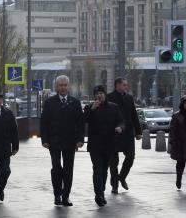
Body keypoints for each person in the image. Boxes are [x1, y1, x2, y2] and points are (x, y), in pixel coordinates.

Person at [40, 75, 84, 207]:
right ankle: (57, 194)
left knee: (68, 170)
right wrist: (45, 140)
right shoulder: (50, 102)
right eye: (61, 85)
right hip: (54, 141)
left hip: (70, 142)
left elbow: (80, 124)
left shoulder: (75, 103)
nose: (63, 87)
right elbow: (44, 123)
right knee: (56, 168)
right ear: (57, 87)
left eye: (65, 85)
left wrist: (80, 140)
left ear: (68, 86)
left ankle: (66, 197)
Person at [82, 85, 124, 207]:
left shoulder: (114, 107)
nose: (99, 95)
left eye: (101, 93)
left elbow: (122, 121)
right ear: (94, 96)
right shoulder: (89, 107)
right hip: (95, 145)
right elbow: (83, 120)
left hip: (109, 144)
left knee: (104, 170)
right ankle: (98, 195)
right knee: (97, 169)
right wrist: (91, 110)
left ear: (105, 94)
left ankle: (101, 192)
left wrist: (120, 127)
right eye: (96, 94)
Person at [107, 77, 142, 194]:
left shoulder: (129, 98)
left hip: (128, 133)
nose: (126, 87)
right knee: (113, 161)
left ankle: (121, 177)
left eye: (126, 85)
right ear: (117, 85)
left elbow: (134, 115)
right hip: (114, 133)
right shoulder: (109, 97)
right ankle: (114, 185)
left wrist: (138, 131)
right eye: (124, 85)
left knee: (131, 156)